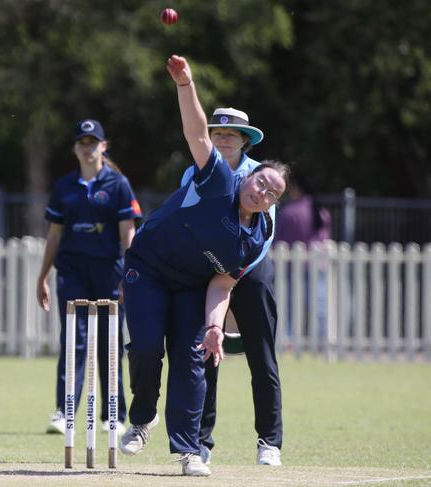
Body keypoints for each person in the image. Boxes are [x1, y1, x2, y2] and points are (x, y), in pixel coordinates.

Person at [118, 54, 288, 477]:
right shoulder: (218, 180)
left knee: (193, 357)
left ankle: (190, 450)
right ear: (248, 177)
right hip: (150, 268)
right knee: (144, 347)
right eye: (261, 182)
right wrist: (185, 84)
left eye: (272, 192)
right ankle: (142, 418)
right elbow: (196, 133)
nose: (263, 191)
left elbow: (221, 284)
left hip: (193, 284)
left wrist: (216, 326)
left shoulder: (256, 236)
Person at [180, 108, 284, 466]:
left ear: (244, 140)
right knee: (206, 353)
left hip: (251, 269)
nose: (223, 138)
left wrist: (235, 272)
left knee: (262, 356)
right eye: (218, 133)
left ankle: (269, 441)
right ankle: (201, 443)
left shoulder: (260, 176)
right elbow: (186, 219)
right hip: (208, 269)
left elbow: (266, 234)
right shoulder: (194, 170)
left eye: (231, 134)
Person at [36, 118, 143, 436]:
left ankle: (114, 414)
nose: (87, 148)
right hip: (72, 272)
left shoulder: (118, 185)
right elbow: (54, 236)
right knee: (73, 341)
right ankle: (63, 411)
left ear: (103, 146)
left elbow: (129, 233)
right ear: (75, 148)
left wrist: (131, 274)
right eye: (82, 143)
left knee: (110, 343)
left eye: (93, 142)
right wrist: (42, 276)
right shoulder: (64, 186)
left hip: (110, 271)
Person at [274, 175, 332, 340]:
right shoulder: (321, 211)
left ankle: (289, 339)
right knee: (319, 306)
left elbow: (280, 240)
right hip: (318, 264)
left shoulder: (290, 212)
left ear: (297, 189)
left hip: (293, 267)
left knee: (290, 306)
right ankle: (323, 339)